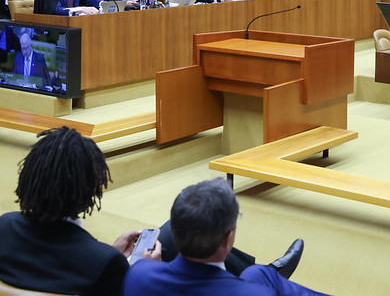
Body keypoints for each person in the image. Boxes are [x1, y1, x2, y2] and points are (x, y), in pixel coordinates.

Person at [0, 127, 162, 295]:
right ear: (90, 190)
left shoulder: (4, 225)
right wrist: (144, 272)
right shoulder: (107, 263)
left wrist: (107, 253)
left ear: (28, 176)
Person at [122, 178, 327, 296]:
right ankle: (273, 273)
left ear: (174, 233)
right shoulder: (257, 294)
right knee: (260, 275)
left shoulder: (139, 272)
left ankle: (271, 271)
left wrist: (147, 266)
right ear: (228, 238)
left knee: (258, 272)